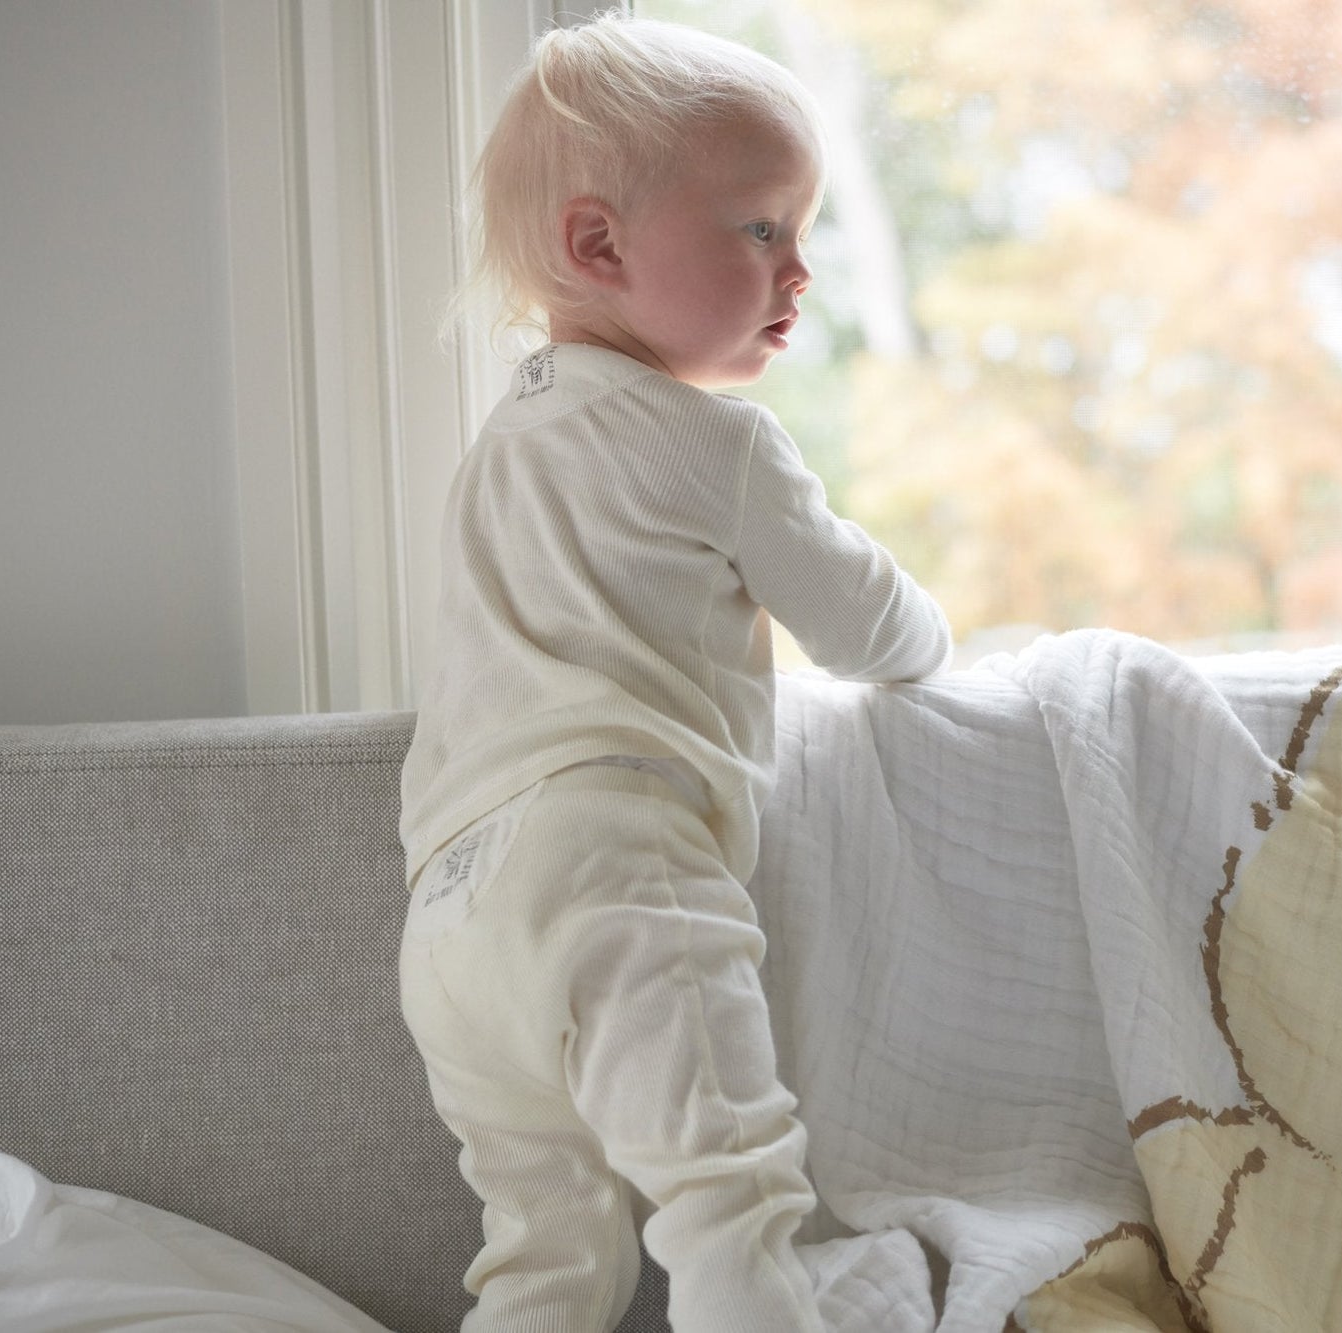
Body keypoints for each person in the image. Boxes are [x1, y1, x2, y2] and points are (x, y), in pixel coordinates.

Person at [396, 15, 952, 1332]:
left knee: (544, 1248)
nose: (799, 271)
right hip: (615, 867)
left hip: (447, 917)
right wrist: (938, 636)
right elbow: (875, 630)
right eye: (764, 228)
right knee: (727, 1199)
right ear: (598, 246)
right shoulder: (718, 446)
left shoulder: (508, 443)